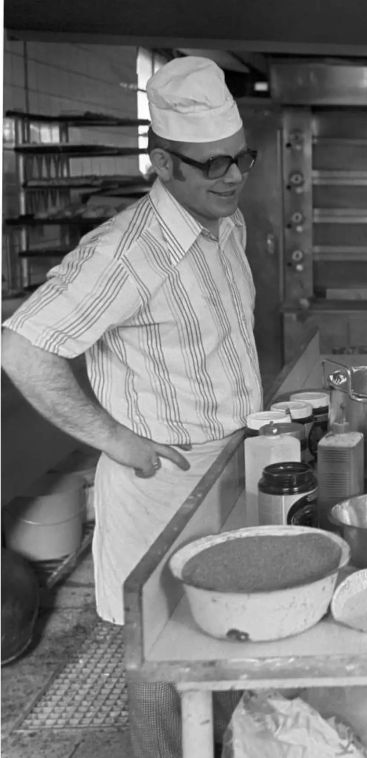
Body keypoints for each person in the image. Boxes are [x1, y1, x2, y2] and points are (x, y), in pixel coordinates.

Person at [2, 56, 263, 757]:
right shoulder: (125, 252)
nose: (231, 175)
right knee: (157, 658)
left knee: (218, 640)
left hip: (228, 471)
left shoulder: (225, 227)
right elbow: (21, 349)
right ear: (162, 161)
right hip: (161, 480)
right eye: (210, 165)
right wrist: (114, 438)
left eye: (240, 158)